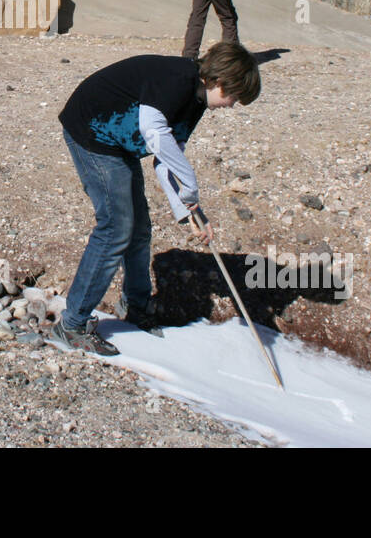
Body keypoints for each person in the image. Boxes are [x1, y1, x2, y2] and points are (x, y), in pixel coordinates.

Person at [53, 41, 261, 355]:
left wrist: (190, 211)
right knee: (115, 229)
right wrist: (190, 184)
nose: (231, 105)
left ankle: (136, 305)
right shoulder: (176, 79)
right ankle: (71, 324)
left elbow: (166, 159)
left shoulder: (196, 102)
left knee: (139, 230)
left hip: (117, 145)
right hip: (92, 133)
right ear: (220, 81)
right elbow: (153, 131)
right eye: (233, 97)